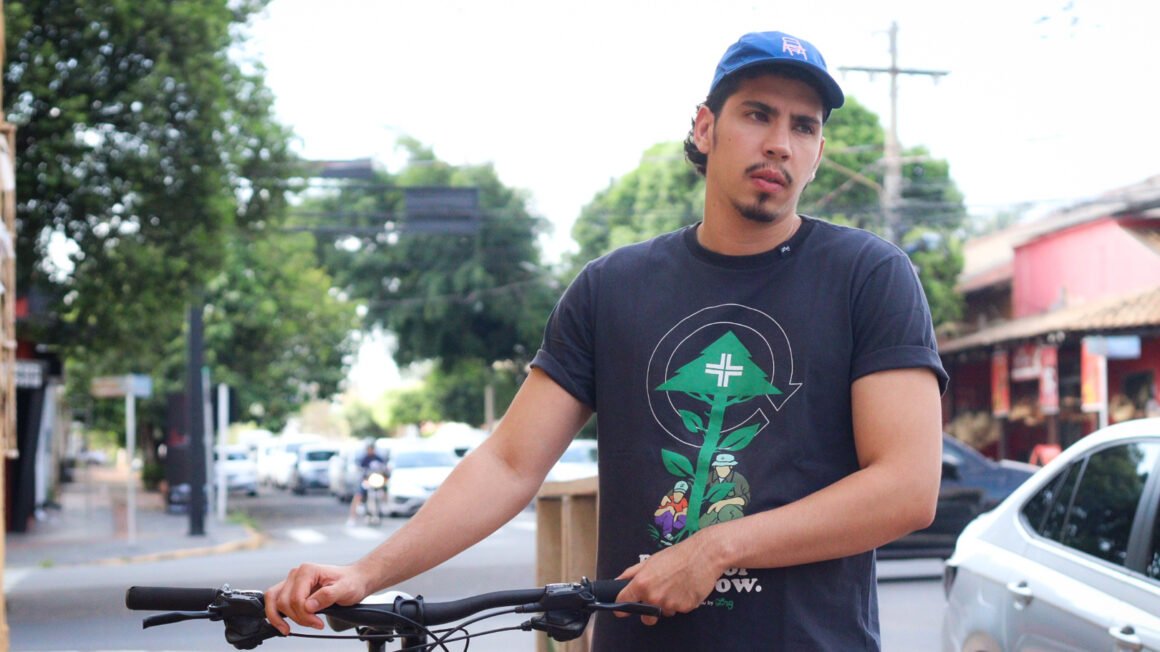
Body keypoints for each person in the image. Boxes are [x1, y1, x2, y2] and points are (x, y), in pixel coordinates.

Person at [266, 30, 946, 650]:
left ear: (819, 153)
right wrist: (366, 571)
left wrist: (716, 548)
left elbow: (906, 488)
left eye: (804, 126)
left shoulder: (868, 276)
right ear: (705, 127)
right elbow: (509, 464)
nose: (780, 143)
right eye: (757, 114)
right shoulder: (612, 287)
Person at [346, 442, 385, 526]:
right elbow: (360, 468)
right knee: (358, 496)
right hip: (366, 480)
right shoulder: (364, 459)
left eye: (372, 448)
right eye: (369, 449)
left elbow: (384, 468)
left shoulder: (378, 458)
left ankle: (384, 507)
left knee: (384, 491)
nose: (371, 450)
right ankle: (352, 517)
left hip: (376, 480)